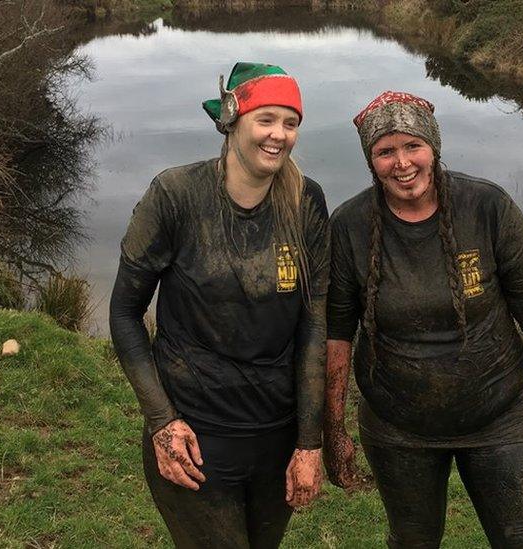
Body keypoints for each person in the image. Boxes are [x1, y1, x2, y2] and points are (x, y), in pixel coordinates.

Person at [323, 91, 523, 548]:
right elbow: (336, 337)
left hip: (497, 415)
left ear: (433, 147)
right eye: (385, 151)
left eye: (413, 146)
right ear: (371, 161)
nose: (402, 163)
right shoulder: (349, 226)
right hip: (397, 424)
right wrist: (334, 430)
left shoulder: (487, 207)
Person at [109, 62, 328, 549]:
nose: (279, 135)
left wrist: (310, 443)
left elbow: (313, 327)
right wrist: (162, 422)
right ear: (232, 120)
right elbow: (124, 313)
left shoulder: (306, 201)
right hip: (195, 436)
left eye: (291, 123)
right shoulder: (176, 195)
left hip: (275, 434)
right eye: (266, 119)